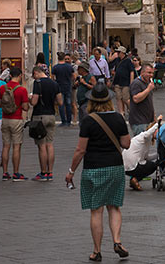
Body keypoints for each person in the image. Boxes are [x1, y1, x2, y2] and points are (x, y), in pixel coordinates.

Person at [66, 83, 131, 262]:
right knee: (114, 206)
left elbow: (80, 150)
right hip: (115, 167)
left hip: (93, 168)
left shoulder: (88, 120)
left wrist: (71, 171)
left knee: (96, 211)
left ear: (92, 101)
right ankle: (117, 241)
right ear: (109, 100)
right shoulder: (118, 118)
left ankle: (96, 251)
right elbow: (126, 144)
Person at [0, 66, 31, 181]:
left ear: (10, 75)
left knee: (6, 146)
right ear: (20, 75)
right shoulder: (22, 90)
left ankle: (5, 172)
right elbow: (25, 108)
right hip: (16, 119)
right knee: (16, 146)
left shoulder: (2, 88)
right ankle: (16, 172)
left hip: (5, 119)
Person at [31, 64, 63, 181]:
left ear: (36, 73)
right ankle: (50, 172)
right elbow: (60, 102)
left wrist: (30, 99)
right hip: (51, 116)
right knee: (50, 144)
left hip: (39, 116)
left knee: (41, 145)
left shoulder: (37, 83)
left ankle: (43, 172)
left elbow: (34, 102)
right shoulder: (55, 84)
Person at [124, 115, 162, 191]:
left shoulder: (144, 141)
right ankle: (135, 179)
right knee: (154, 166)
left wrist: (158, 154)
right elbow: (147, 134)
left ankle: (134, 180)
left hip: (126, 167)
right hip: (133, 165)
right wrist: (157, 123)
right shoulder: (144, 136)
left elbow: (146, 158)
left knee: (148, 164)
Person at [128, 63, 157, 136]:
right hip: (139, 121)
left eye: (152, 73)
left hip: (147, 120)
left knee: (146, 145)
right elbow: (136, 99)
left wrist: (154, 118)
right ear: (142, 72)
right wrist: (148, 89)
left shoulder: (148, 83)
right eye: (149, 73)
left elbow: (149, 101)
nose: (151, 75)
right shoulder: (136, 83)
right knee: (141, 145)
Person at [54, 54, 77, 127]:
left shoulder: (55, 67)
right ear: (64, 58)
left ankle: (63, 121)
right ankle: (69, 121)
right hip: (68, 86)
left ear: (58, 58)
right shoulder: (69, 67)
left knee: (61, 104)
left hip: (59, 87)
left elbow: (53, 78)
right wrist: (70, 80)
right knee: (68, 103)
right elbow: (74, 76)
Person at [111, 47, 135, 115]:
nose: (117, 53)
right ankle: (121, 112)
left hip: (126, 82)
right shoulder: (117, 60)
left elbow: (131, 71)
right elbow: (112, 65)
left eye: (119, 52)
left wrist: (131, 82)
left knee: (126, 99)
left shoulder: (128, 61)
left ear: (122, 53)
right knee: (118, 98)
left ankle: (131, 110)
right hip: (117, 82)